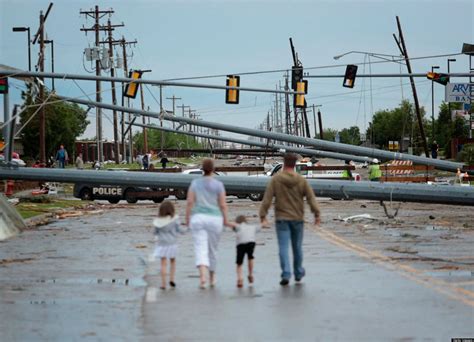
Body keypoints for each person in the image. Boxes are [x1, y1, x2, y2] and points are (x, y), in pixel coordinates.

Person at [259, 153, 321, 286]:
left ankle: (286, 273)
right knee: (297, 247)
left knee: (283, 247)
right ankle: (298, 273)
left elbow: (267, 199)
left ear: (284, 163)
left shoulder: (276, 179)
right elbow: (311, 198)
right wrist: (316, 214)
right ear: (294, 164)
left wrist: (263, 215)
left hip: (282, 218)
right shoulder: (301, 180)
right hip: (297, 218)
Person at [186, 158, 233, 289]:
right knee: (212, 250)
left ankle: (202, 277)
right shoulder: (218, 185)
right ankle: (212, 277)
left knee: (200, 248)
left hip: (198, 217)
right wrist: (226, 220)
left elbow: (190, 202)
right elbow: (223, 204)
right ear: (213, 170)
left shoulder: (195, 183)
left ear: (202, 169)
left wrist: (187, 218)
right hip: (214, 219)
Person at [153, 201, 186, 290]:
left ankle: (163, 284)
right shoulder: (175, 219)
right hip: (172, 243)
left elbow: (155, 232)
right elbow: (180, 230)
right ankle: (171, 279)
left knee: (163, 264)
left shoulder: (158, 221)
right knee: (172, 262)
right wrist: (188, 229)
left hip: (162, 244)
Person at [234, 215, 259, 288]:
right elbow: (261, 225)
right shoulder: (251, 227)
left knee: (239, 263)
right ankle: (250, 274)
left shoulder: (237, 227)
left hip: (240, 244)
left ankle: (240, 279)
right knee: (250, 258)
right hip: (251, 243)